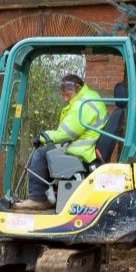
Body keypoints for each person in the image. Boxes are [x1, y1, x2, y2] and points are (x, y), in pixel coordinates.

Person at [14, 74, 106, 211]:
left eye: (67, 95)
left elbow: (66, 133)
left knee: (40, 154)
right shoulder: (88, 99)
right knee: (48, 152)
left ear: (78, 88)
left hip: (81, 150)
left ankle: (37, 198)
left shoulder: (84, 104)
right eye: (63, 95)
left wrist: (44, 137)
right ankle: (51, 196)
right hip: (83, 146)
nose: (65, 98)